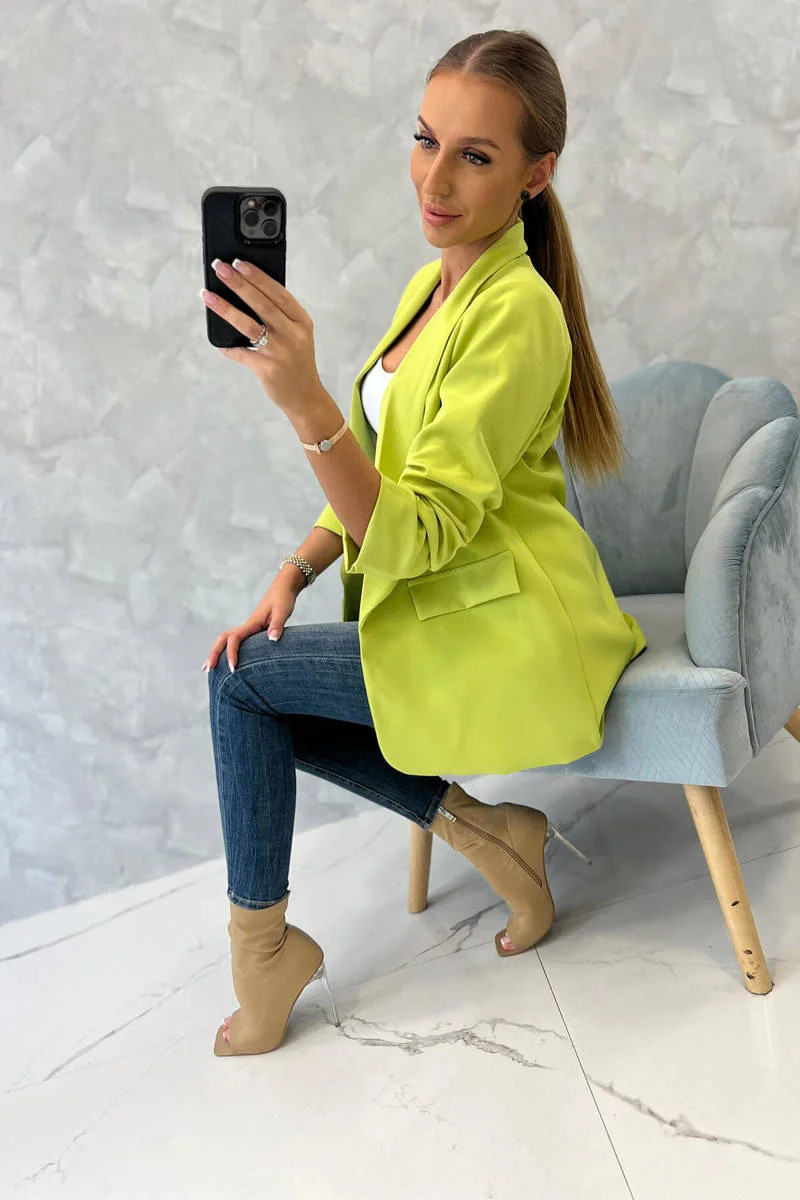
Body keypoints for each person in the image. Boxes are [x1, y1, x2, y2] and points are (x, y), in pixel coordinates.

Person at [203, 28, 647, 1057]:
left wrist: (305, 401)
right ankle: (489, 835)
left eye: (473, 156)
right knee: (250, 679)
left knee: (240, 688)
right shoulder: (433, 286)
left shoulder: (518, 314)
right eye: (424, 139)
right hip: (443, 605)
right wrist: (294, 570)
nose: (434, 179)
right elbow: (379, 463)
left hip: (507, 626)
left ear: (536, 175)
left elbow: (424, 529)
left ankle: (264, 956)